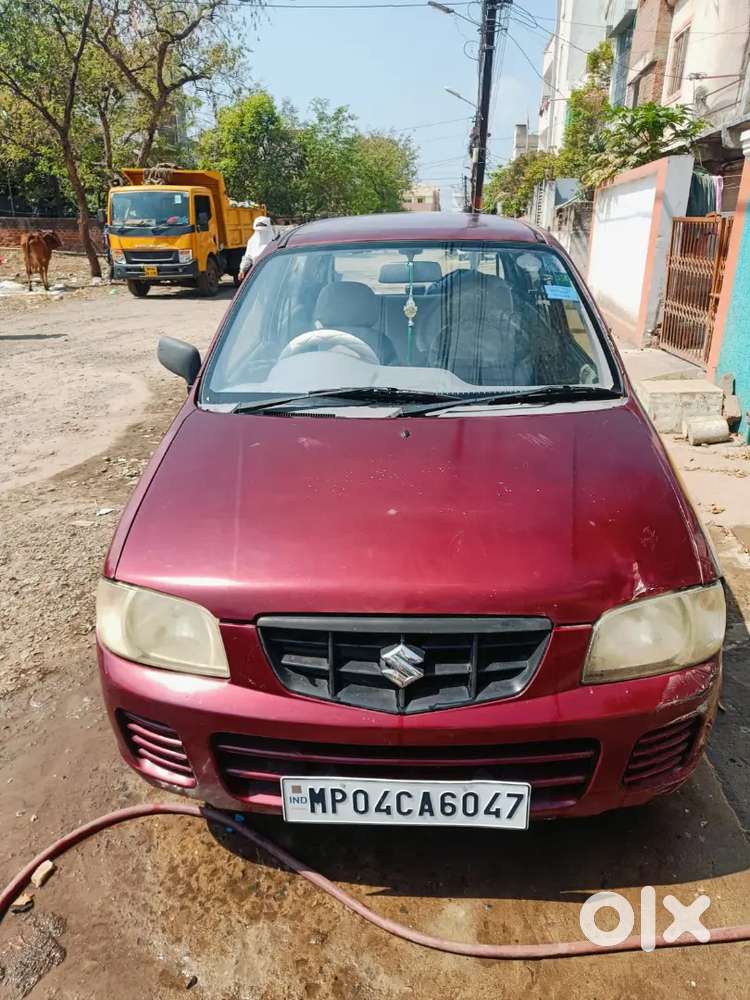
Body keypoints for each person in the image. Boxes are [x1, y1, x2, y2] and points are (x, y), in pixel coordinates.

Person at [239, 216, 274, 281]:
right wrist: (242, 270)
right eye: (258, 231)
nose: (260, 233)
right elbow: (248, 257)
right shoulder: (252, 241)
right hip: (258, 273)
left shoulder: (276, 240)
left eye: (262, 231)